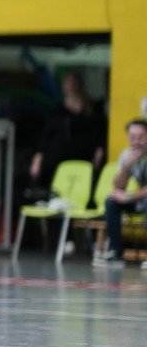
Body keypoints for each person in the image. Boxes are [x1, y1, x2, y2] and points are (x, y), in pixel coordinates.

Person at [29, 70, 106, 192]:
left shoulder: (91, 110)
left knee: (81, 190)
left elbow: (99, 135)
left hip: (83, 159)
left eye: (74, 83)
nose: (71, 87)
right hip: (58, 159)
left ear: (80, 85)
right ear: (63, 87)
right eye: (68, 84)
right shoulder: (58, 111)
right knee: (56, 190)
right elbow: (45, 137)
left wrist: (98, 154)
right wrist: (37, 160)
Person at [93, 119, 147, 269]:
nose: (136, 142)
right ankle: (116, 252)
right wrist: (127, 166)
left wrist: (129, 197)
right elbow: (118, 185)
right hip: (141, 199)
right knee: (111, 201)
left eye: (140, 137)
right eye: (132, 138)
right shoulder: (127, 155)